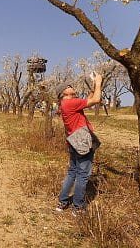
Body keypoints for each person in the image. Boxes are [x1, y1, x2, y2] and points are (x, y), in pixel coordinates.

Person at [55, 73, 102, 216]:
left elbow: (88, 99)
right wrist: (99, 83)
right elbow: (96, 100)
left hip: (73, 142)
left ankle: (62, 202)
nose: (72, 87)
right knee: (82, 175)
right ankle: (78, 207)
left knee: (72, 173)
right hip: (81, 143)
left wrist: (94, 85)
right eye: (69, 87)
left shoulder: (66, 104)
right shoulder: (70, 103)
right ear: (64, 92)